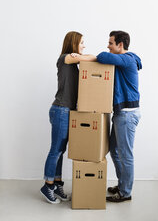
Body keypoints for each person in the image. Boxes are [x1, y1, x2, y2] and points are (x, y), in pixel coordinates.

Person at [40, 31, 96, 204]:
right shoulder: (65, 58)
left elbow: (88, 57)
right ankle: (47, 185)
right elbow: (92, 57)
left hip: (67, 111)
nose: (84, 46)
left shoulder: (74, 63)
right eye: (81, 43)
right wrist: (81, 55)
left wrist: (80, 55)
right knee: (56, 150)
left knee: (61, 151)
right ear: (73, 44)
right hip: (60, 110)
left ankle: (57, 183)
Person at [97, 31, 142, 202]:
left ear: (120, 45)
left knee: (125, 154)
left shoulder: (127, 59)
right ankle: (123, 184)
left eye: (110, 43)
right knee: (114, 150)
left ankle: (125, 193)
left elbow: (102, 57)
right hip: (121, 114)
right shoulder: (123, 61)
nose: (108, 46)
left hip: (127, 115)